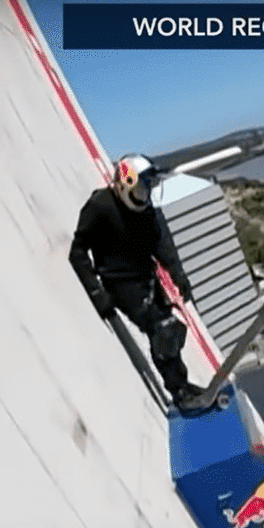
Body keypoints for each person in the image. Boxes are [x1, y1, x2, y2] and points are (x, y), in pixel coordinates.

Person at [70, 153, 204, 407]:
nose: (145, 196)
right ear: (124, 183)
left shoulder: (146, 212)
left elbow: (160, 243)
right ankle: (179, 391)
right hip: (121, 285)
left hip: (147, 279)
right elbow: (77, 252)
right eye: (141, 189)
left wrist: (178, 274)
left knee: (173, 332)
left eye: (148, 190)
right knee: (163, 329)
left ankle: (182, 384)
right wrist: (97, 292)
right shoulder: (100, 206)